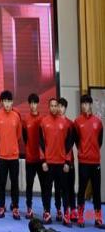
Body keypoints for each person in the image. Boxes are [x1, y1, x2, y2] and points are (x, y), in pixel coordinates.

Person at [40, 98, 73, 226]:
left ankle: (66, 215)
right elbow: (41, 143)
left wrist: (67, 162)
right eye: (52, 106)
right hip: (49, 163)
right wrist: (43, 161)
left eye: (56, 105)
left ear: (58, 107)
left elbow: (69, 144)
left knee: (64, 190)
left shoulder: (65, 123)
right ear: (49, 107)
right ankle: (47, 213)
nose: (54, 108)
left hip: (61, 164)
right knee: (47, 190)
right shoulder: (44, 122)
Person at [74, 94, 105, 229]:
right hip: (83, 162)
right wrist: (83, 152)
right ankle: (81, 216)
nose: (84, 106)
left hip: (95, 162)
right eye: (83, 103)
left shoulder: (98, 122)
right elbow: (76, 140)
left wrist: (93, 153)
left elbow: (100, 142)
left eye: (87, 103)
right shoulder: (77, 122)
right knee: (81, 190)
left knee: (97, 191)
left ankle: (98, 218)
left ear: (91, 105)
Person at [0, 90, 22, 220]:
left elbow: (18, 136)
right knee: (2, 183)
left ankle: (15, 207)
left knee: (14, 183)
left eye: (9, 101)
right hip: (2, 156)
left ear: (12, 102)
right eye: (5, 101)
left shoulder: (16, 116)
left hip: (14, 156)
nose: (7, 104)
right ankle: (1, 206)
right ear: (2, 102)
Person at [22, 93, 44, 220]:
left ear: (38, 104)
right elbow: (25, 138)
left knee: (44, 186)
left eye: (35, 103)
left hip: (41, 159)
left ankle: (46, 209)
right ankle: (29, 209)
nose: (33, 105)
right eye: (31, 103)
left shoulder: (43, 119)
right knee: (29, 185)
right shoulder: (25, 119)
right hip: (30, 158)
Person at [56, 97, 77, 222]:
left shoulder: (70, 124)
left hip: (69, 161)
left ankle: (73, 210)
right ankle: (61, 210)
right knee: (60, 187)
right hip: (57, 161)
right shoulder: (53, 122)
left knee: (70, 186)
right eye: (58, 106)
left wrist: (67, 161)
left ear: (65, 108)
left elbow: (71, 143)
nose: (60, 108)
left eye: (62, 106)